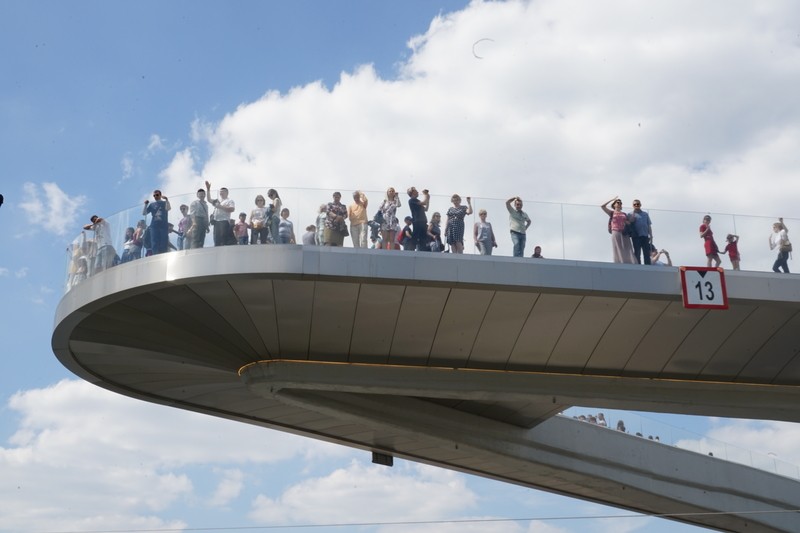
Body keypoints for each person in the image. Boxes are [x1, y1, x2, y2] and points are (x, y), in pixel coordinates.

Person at [601, 197, 635, 263]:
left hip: (624, 232)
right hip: (615, 231)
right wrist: (611, 199)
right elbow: (602, 206)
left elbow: (628, 222)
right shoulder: (612, 212)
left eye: (620, 203)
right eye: (618, 202)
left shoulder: (624, 214)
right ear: (614, 205)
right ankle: (619, 262)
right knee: (617, 247)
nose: (619, 204)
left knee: (626, 247)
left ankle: (628, 261)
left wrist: (628, 222)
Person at [206, 181, 236, 246]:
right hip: (216, 222)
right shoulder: (218, 201)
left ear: (227, 193)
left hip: (224, 221)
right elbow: (209, 199)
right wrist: (208, 189)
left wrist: (220, 206)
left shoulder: (229, 201)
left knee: (223, 238)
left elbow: (232, 209)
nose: (221, 193)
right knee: (217, 239)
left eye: (223, 192)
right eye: (220, 192)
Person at [142, 189, 171, 254]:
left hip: (163, 224)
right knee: (154, 240)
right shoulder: (152, 204)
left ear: (160, 195)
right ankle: (155, 254)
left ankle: (163, 253)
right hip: (154, 225)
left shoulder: (164, 203)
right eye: (154, 195)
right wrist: (146, 205)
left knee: (163, 240)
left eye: (157, 195)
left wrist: (167, 200)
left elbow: (168, 208)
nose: (155, 196)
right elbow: (144, 213)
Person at [628, 199, 653, 265]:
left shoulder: (645, 214)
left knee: (646, 252)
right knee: (637, 252)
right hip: (636, 236)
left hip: (645, 235)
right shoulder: (630, 214)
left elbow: (648, 225)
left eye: (638, 204)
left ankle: (648, 266)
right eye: (635, 204)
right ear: (633, 206)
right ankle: (638, 265)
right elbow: (628, 224)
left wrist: (651, 235)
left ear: (640, 205)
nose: (636, 205)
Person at [407, 186, 430, 251]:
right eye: (416, 191)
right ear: (412, 192)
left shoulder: (417, 201)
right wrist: (425, 195)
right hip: (417, 221)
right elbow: (424, 203)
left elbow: (426, 208)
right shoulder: (412, 200)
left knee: (423, 238)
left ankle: (422, 250)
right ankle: (411, 250)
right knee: (415, 236)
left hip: (423, 221)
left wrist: (428, 198)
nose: (417, 192)